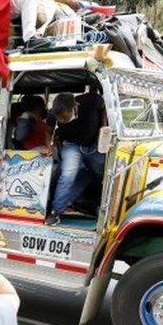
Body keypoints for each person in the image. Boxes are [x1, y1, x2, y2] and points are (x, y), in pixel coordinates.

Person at [46, 90, 106, 226]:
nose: (61, 121)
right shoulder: (53, 114)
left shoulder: (91, 100)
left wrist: (103, 127)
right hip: (71, 145)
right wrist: (50, 148)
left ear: (74, 107)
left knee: (100, 175)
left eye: (64, 117)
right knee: (68, 174)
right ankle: (56, 212)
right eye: (59, 118)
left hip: (94, 146)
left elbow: (104, 107)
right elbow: (48, 131)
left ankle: (98, 205)